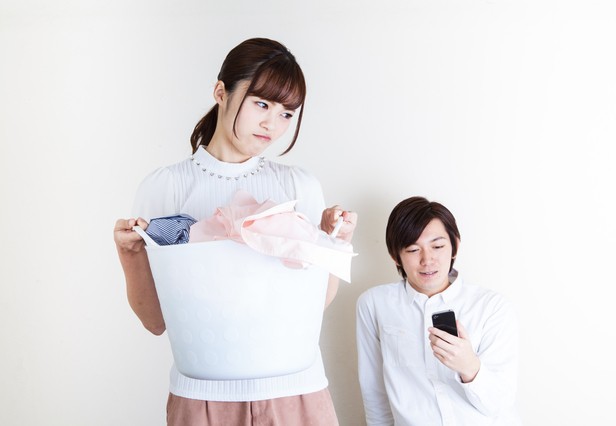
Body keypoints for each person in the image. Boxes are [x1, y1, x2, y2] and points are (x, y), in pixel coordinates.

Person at [113, 37, 357, 426]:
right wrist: (129, 255)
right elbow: (156, 321)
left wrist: (336, 241)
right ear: (220, 93)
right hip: (204, 398)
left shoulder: (298, 186)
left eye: (286, 113)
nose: (272, 124)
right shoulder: (167, 187)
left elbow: (311, 308)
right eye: (262, 104)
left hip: (296, 393)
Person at [356, 196, 520, 425]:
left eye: (438, 246)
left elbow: (499, 405)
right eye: (413, 249)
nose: (427, 260)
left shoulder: (492, 307)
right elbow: (374, 393)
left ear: (455, 246)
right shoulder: (374, 304)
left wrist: (469, 366)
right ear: (395, 256)